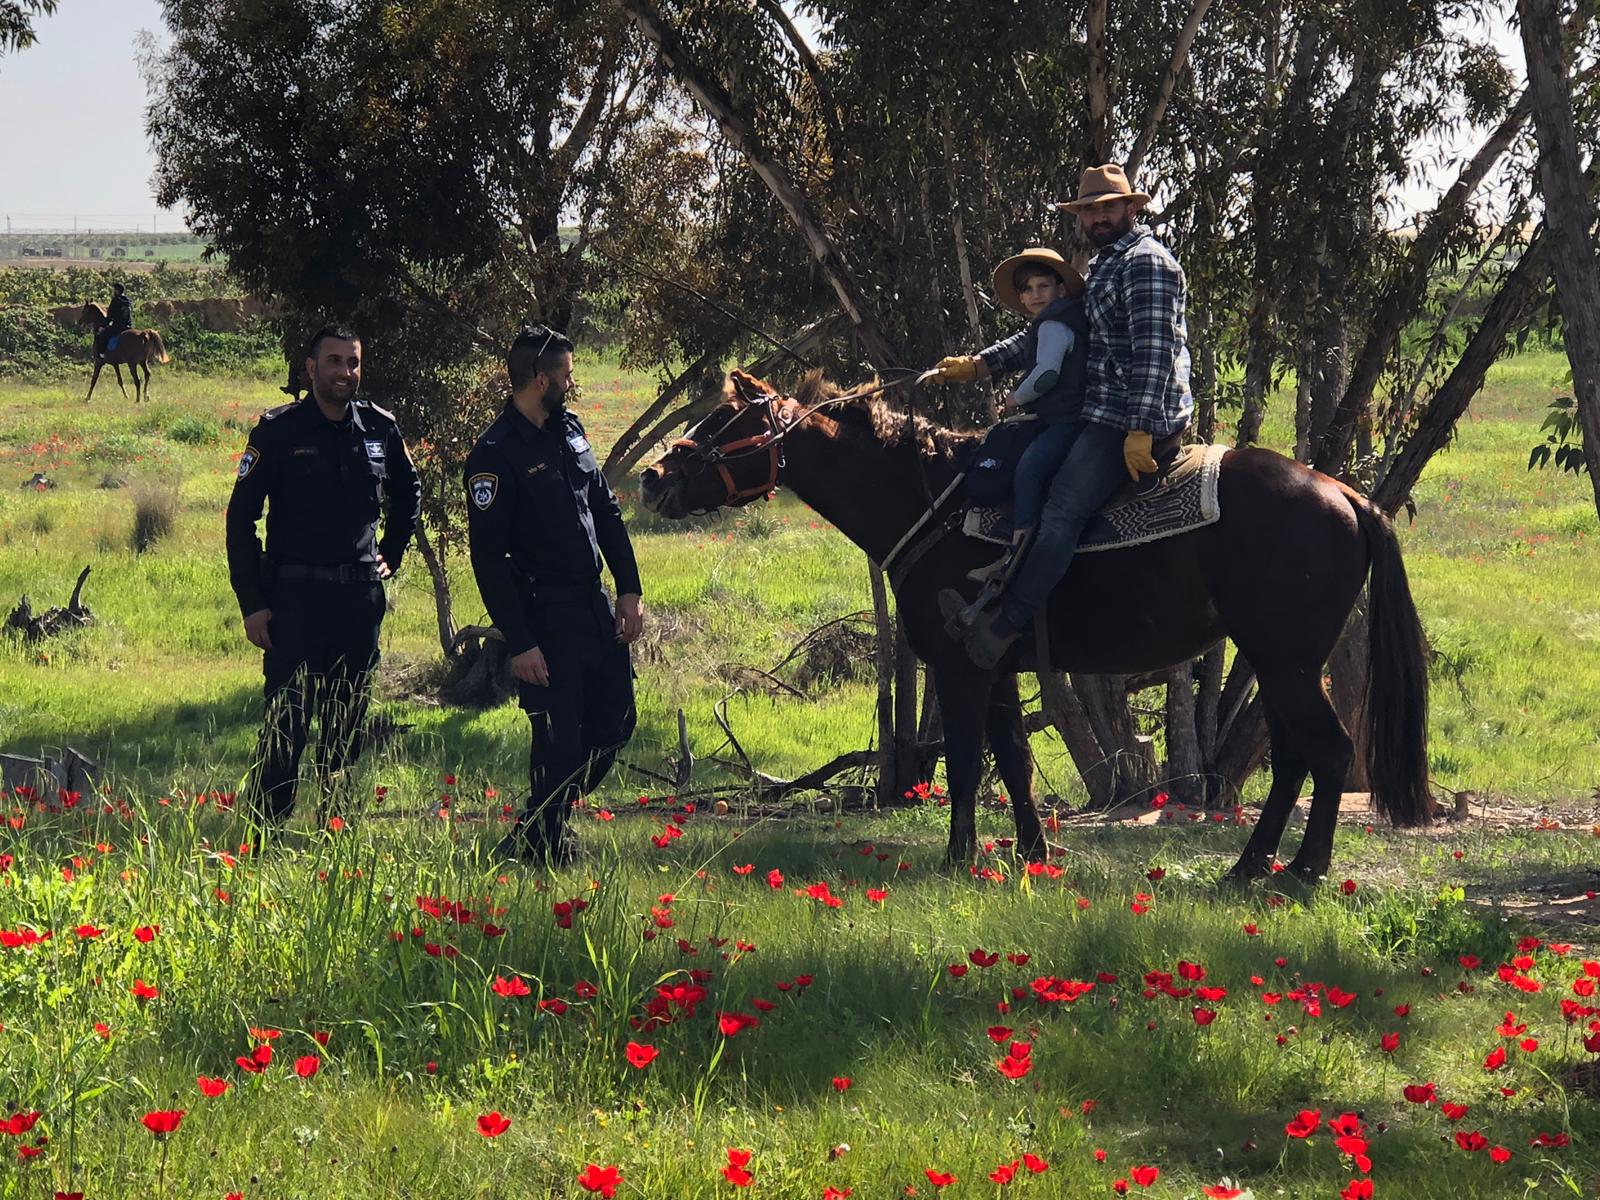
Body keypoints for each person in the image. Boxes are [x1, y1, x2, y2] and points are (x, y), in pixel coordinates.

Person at [942, 163, 1194, 669]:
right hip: (1099, 408)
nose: (1098, 217)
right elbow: (1047, 334)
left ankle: (1004, 626)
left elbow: (1154, 353)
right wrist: (980, 364)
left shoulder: (1146, 263)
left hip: (1129, 414)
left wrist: (1140, 428)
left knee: (1062, 508)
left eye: (1108, 207)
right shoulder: (1102, 266)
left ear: (1129, 208)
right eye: (1089, 210)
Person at [225, 323, 421, 825]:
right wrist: (252, 603)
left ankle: (334, 834)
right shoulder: (278, 431)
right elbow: (240, 517)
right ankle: (263, 837)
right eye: (334, 361)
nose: (344, 372)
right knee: (284, 728)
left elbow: (409, 492)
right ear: (311, 368)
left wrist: (392, 551)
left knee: (346, 730)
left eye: (353, 362)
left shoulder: (379, 428)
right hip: (294, 604)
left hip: (357, 603)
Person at [464, 325, 645, 865]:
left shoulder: (570, 430)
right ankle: (542, 840)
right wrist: (520, 642)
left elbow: (605, 512)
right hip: (544, 615)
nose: (572, 383)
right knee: (558, 740)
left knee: (616, 722)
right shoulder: (495, 454)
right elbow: (487, 560)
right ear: (540, 380)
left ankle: (540, 826)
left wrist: (629, 589)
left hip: (592, 605)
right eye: (566, 375)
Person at [933, 247, 1088, 589]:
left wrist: (1015, 398)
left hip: (1067, 421)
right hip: (1057, 418)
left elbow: (1047, 374)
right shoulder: (1053, 322)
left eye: (1043, 286)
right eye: (1028, 289)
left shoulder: (1055, 325)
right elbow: (1016, 349)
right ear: (1021, 297)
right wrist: (972, 365)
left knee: (1029, 468)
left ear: (1060, 289)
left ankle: (1019, 553)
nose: (1036, 294)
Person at [96, 282, 132, 359]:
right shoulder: (128, 301)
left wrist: (103, 326)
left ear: (117, 291)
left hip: (117, 327)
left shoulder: (115, 301)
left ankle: (102, 355)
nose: (113, 292)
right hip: (128, 326)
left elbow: (110, 316)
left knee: (102, 335)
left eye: (114, 290)